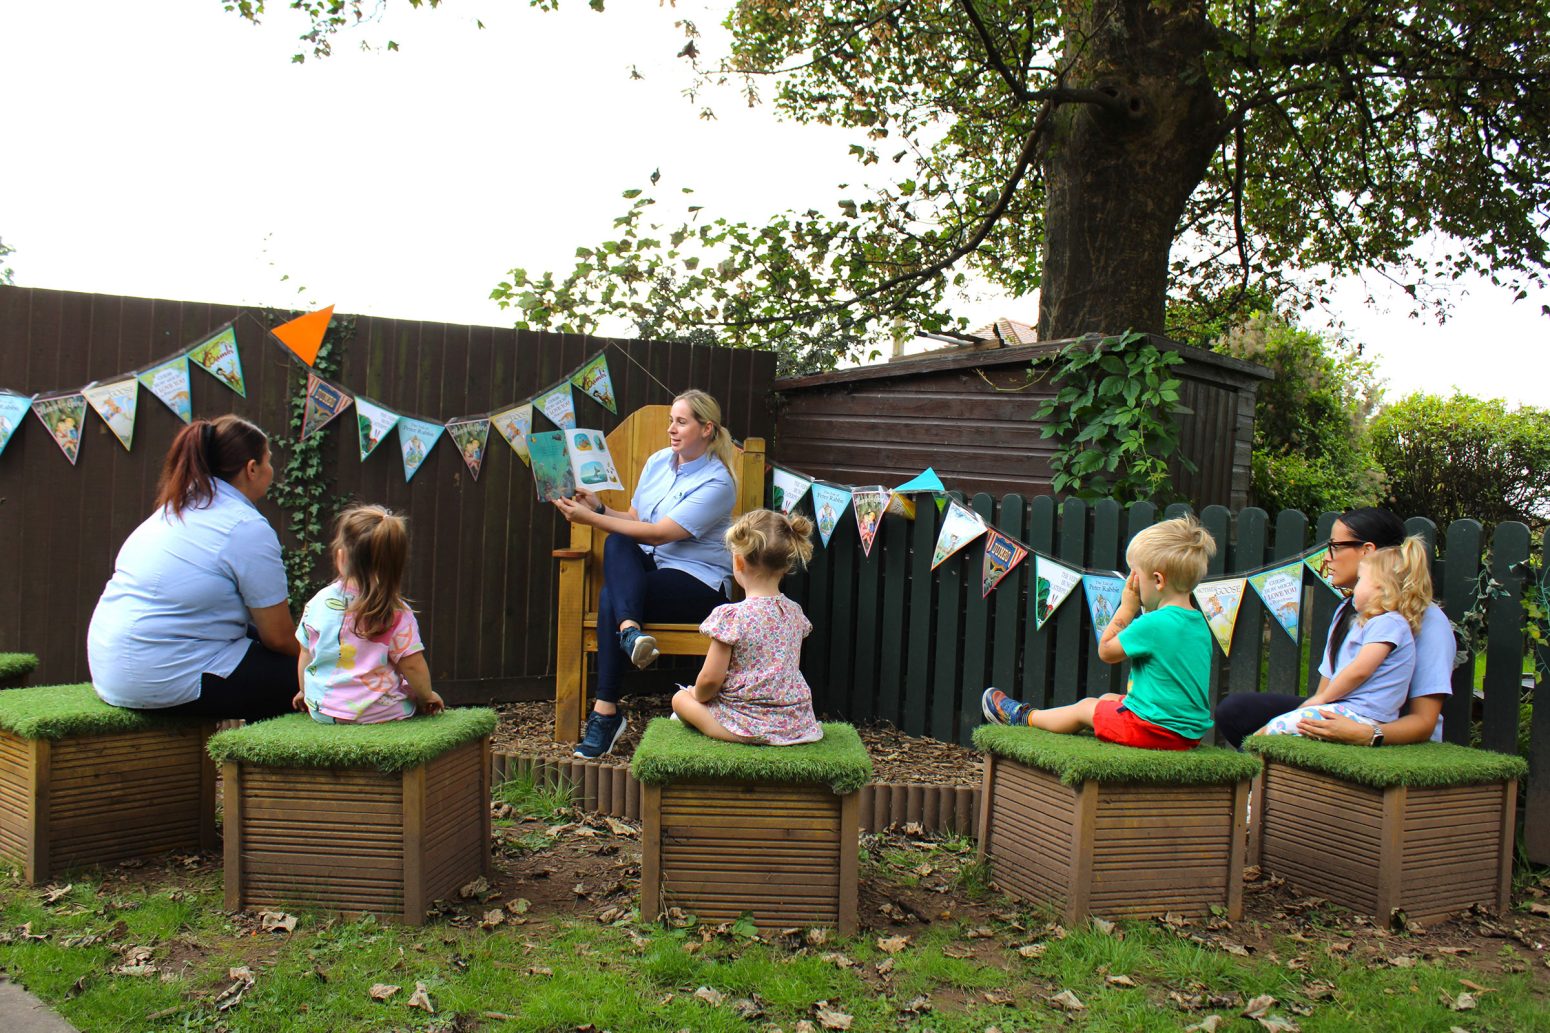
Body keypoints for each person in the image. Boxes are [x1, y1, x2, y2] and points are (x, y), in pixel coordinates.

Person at [553, 389, 738, 758]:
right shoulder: (657, 462)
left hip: (699, 584)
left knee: (611, 595)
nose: (671, 429)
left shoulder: (719, 483)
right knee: (619, 543)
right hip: (653, 571)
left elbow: (659, 533)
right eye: (671, 420)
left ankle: (605, 711)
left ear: (706, 429)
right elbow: (637, 520)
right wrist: (601, 506)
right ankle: (630, 633)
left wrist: (591, 518)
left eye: (681, 422)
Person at [87, 415, 298, 719]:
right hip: (161, 677)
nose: (271, 471)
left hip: (110, 669)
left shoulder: (173, 509)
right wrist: (318, 659)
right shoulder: (245, 527)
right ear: (251, 469)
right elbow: (277, 636)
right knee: (314, 681)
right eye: (268, 461)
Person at [1214, 507, 1455, 748]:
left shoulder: (1428, 621)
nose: (1327, 557)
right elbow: (1326, 694)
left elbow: (1424, 722)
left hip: (1388, 732)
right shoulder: (1347, 610)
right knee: (1237, 711)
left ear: (1367, 551)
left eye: (1335, 546)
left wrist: (1365, 733)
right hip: (1341, 712)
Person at [981, 515, 1218, 750]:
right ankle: (1093, 723)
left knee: (1085, 707)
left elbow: (1106, 651)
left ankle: (1024, 717)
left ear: (1157, 580)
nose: (1132, 584)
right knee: (1107, 699)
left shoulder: (1155, 623)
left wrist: (1127, 607)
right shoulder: (1198, 622)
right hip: (1187, 733)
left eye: (1135, 576)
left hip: (1155, 730)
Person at [671, 509, 823, 745]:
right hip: (794, 721)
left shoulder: (733, 616)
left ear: (739, 561)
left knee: (680, 700)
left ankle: (742, 735)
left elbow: (710, 680)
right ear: (785, 566)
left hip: (745, 718)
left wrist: (696, 695)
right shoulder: (794, 613)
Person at [1254, 540, 1431, 736]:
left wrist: (1322, 698)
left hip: (1360, 714)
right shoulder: (1370, 623)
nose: (1354, 588)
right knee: (1276, 727)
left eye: (1361, 580)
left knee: (1273, 730)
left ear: (1383, 588)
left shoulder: (1389, 623)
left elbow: (1360, 670)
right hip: (1350, 710)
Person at [292, 506, 444, 724]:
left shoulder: (318, 602)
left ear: (341, 557)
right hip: (378, 713)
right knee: (406, 694)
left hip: (323, 710)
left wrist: (305, 692)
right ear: (395, 565)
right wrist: (426, 696)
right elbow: (411, 664)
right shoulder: (396, 612)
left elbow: (306, 652)